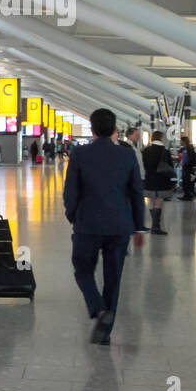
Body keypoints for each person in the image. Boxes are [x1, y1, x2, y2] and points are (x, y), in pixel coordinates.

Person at [63, 108, 147, 344]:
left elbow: (71, 192)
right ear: (114, 130)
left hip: (87, 223)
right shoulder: (127, 155)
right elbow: (136, 193)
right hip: (120, 225)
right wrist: (139, 227)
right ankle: (105, 332)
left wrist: (73, 216)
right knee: (113, 276)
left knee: (82, 269)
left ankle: (100, 310)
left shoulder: (79, 154)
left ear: (92, 130)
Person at [141, 130, 175, 235]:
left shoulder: (146, 150)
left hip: (150, 179)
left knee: (152, 201)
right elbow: (170, 166)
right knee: (159, 201)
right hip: (162, 180)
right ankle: (156, 227)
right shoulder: (165, 151)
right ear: (161, 138)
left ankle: (154, 226)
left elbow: (143, 165)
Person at [178, 135, 196, 200]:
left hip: (188, 167)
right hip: (186, 167)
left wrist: (189, 165)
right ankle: (187, 195)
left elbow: (191, 157)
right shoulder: (185, 148)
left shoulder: (189, 148)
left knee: (188, 181)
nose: (180, 142)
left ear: (183, 141)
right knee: (186, 181)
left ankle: (188, 195)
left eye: (181, 141)